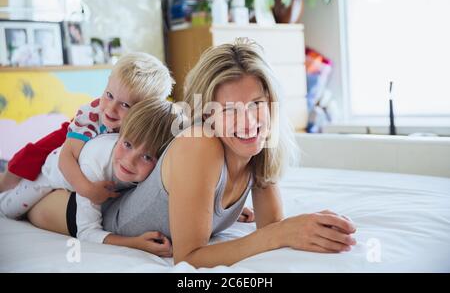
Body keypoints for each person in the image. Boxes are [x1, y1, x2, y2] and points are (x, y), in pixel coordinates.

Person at [26, 39, 357, 268]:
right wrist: (282, 232)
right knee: (23, 193)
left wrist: (303, 227)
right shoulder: (200, 144)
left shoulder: (259, 144)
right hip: (93, 207)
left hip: (118, 180)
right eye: (229, 110)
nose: (249, 121)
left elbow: (270, 229)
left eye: (257, 104)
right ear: (208, 114)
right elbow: (189, 259)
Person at [0, 99, 180, 256]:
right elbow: (87, 232)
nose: (129, 161)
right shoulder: (96, 164)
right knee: (9, 209)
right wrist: (135, 243)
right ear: (120, 134)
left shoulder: (146, 167)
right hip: (50, 172)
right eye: (127, 144)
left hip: (79, 171)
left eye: (147, 157)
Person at [0, 52, 174, 206]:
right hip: (75, 131)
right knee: (30, 157)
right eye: (109, 95)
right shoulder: (93, 115)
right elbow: (65, 159)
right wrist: (87, 190)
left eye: (125, 105)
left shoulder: (146, 125)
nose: (111, 108)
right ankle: (4, 182)